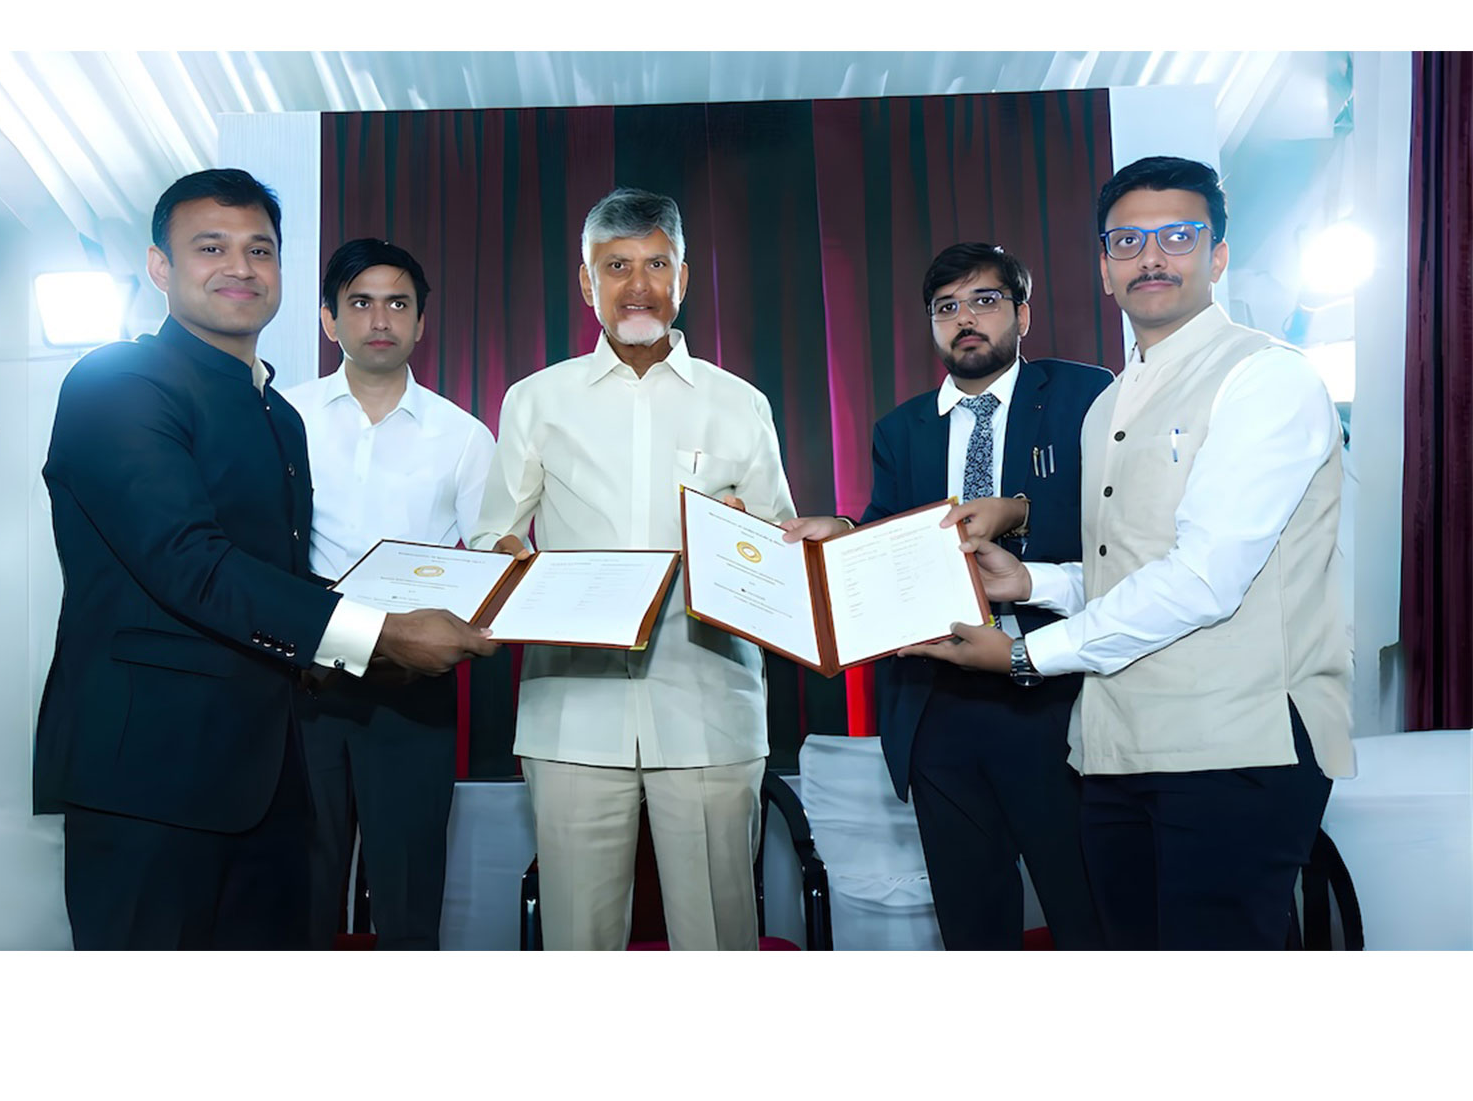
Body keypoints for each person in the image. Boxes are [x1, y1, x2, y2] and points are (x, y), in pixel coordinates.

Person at [34, 169, 495, 950]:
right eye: (210, 247)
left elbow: (275, 577)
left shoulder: (277, 413)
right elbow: (191, 564)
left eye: (260, 250)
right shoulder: (116, 383)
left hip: (273, 774)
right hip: (151, 774)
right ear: (160, 268)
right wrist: (381, 635)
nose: (240, 268)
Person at [905, 156, 1354, 950]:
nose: (1152, 257)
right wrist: (1030, 579)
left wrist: (1021, 657)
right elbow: (1131, 569)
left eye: (1178, 236)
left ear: (1217, 254)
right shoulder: (1112, 402)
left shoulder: (1264, 379)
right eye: (1127, 240)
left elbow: (1207, 580)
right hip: (1115, 748)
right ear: (1105, 265)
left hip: (1236, 747)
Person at [470, 187, 796, 950]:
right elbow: (494, 540)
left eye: (657, 263)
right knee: (577, 940)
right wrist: (515, 571)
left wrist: (768, 549)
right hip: (571, 715)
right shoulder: (535, 401)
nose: (639, 285)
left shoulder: (740, 404)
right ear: (586, 283)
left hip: (712, 710)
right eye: (615, 266)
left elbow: (778, 548)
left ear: (685, 277)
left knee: (719, 940)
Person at [784, 242, 1110, 950]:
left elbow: (1114, 531)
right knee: (972, 931)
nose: (966, 319)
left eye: (985, 301)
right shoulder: (900, 431)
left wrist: (1017, 509)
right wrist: (839, 533)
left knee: (1090, 921)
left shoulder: (1086, 396)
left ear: (1022, 312)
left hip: (1056, 698)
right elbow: (883, 539)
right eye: (947, 307)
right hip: (937, 709)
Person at [283, 238, 495, 950]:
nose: (381, 318)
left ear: (420, 324)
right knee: (299, 890)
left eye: (398, 303)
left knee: (409, 897)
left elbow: (490, 558)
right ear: (328, 318)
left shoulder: (463, 436)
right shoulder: (284, 417)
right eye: (361, 302)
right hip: (300, 681)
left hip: (413, 686)